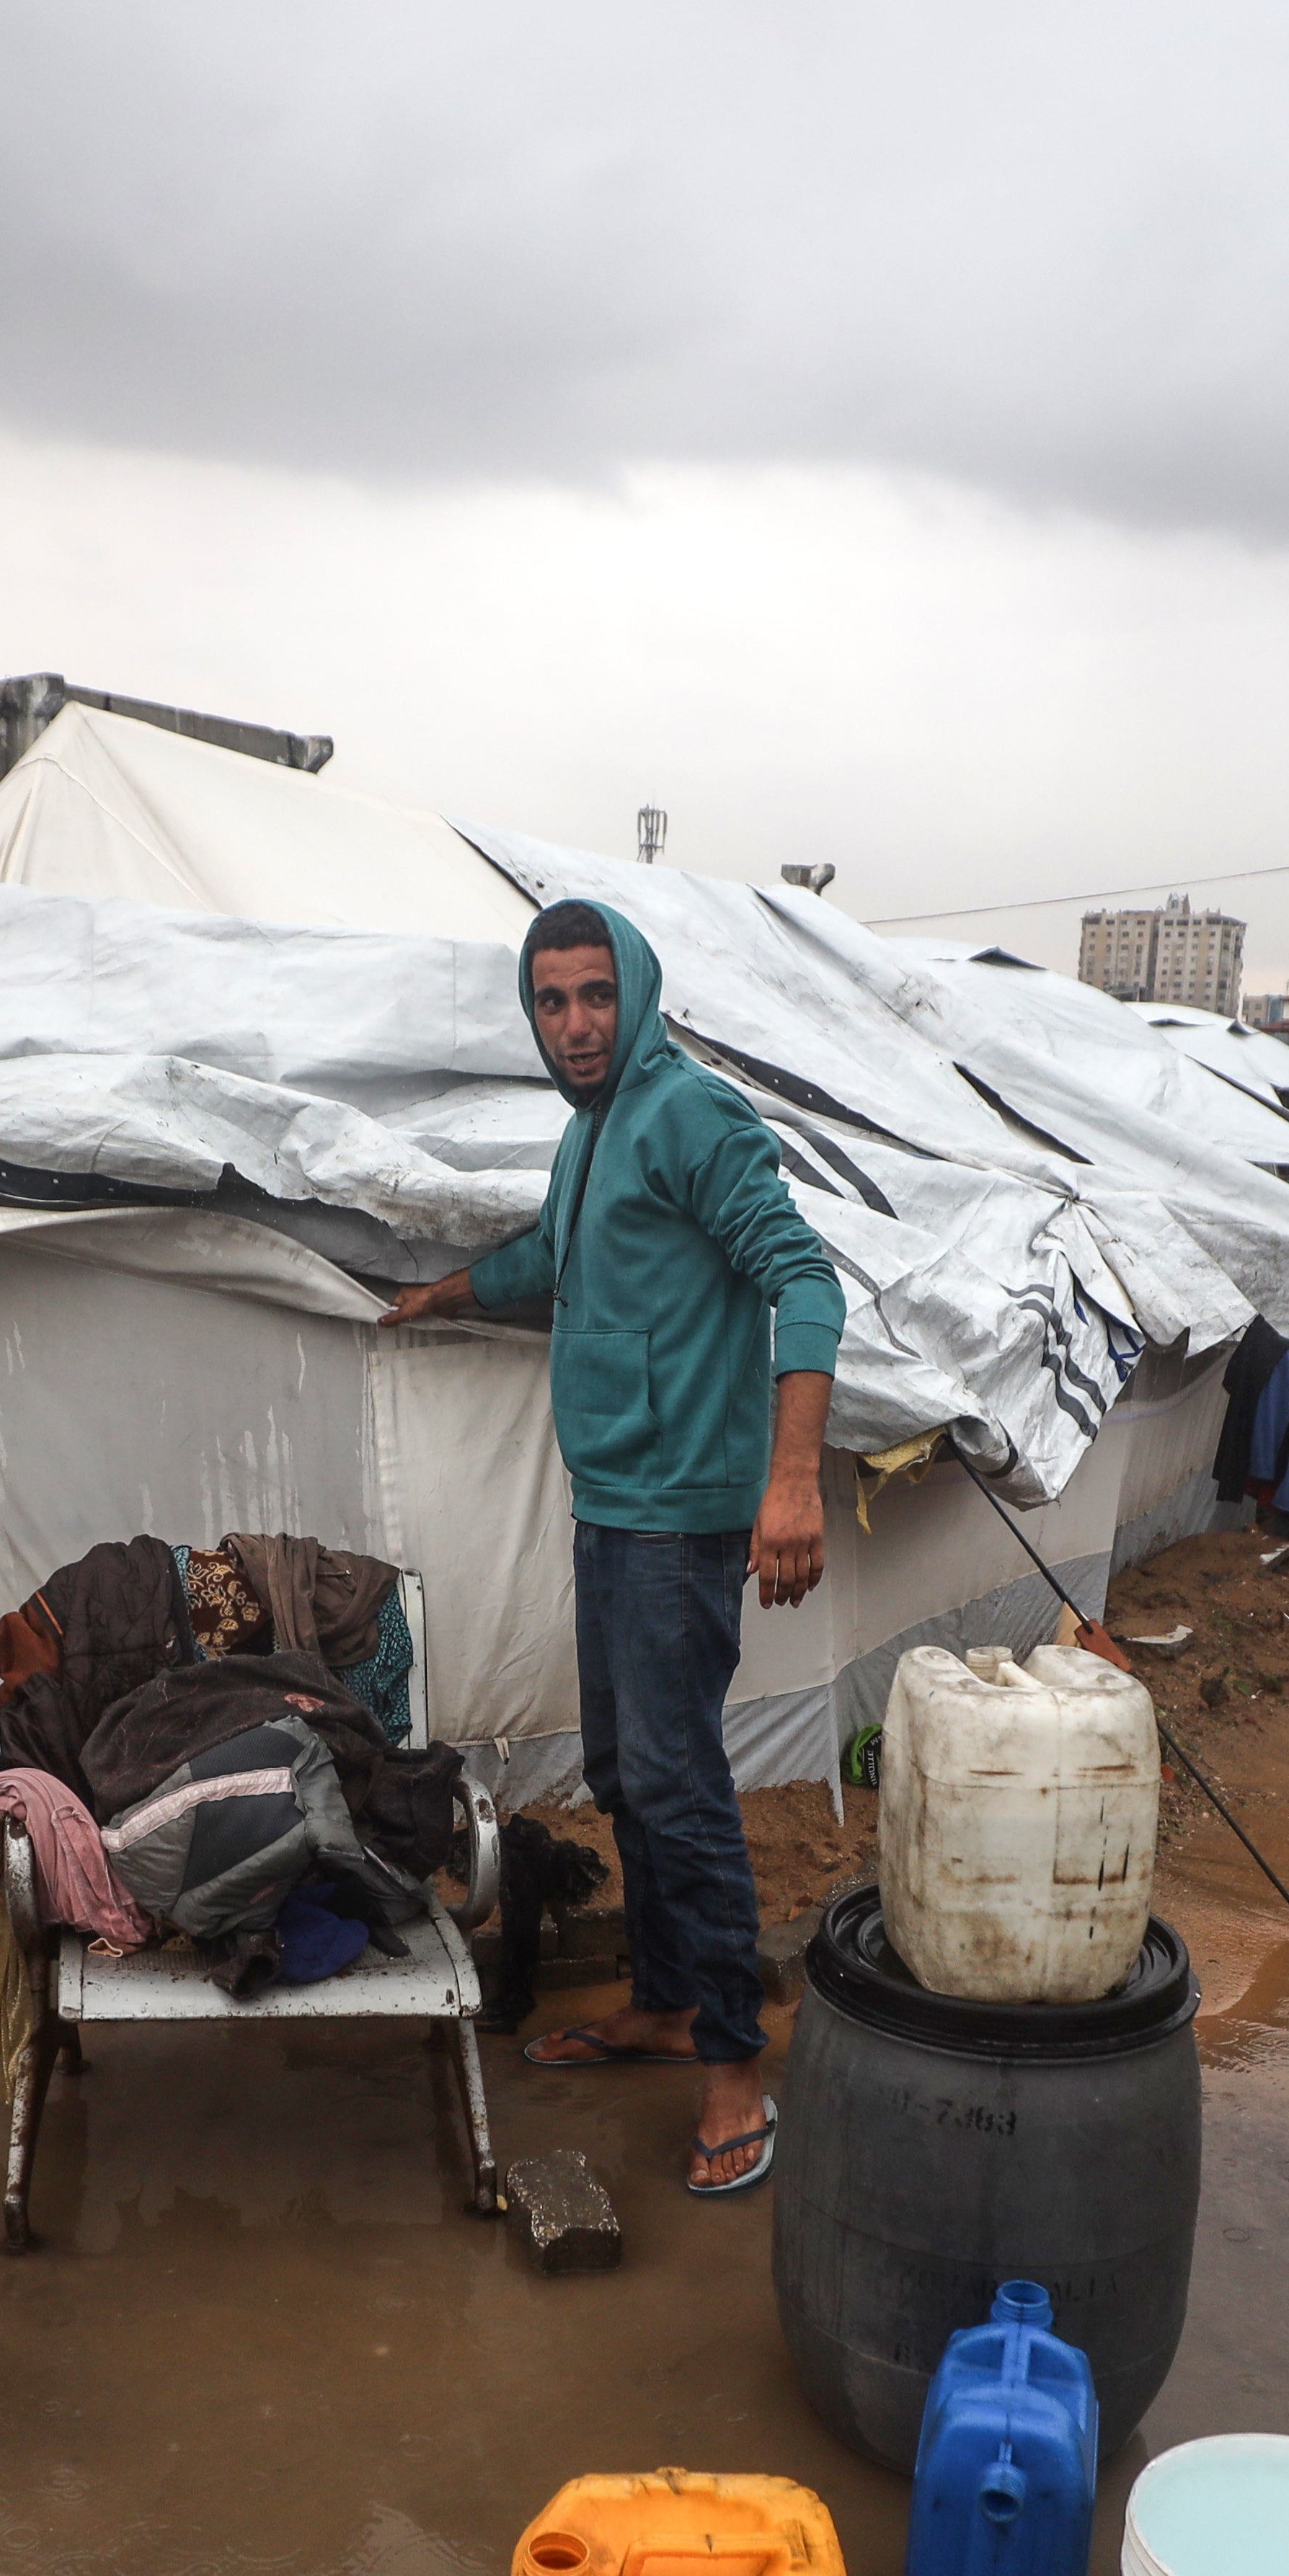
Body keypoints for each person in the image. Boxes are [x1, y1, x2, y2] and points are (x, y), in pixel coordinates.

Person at [382, 900, 839, 2198]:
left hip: (683, 1516)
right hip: (612, 1503)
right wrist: (448, 1294)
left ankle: (734, 2066)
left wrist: (790, 1483)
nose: (575, 1025)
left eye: (594, 996)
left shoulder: (686, 1111)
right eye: (551, 1002)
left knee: (680, 1786)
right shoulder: (591, 1131)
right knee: (625, 1772)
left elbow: (804, 1277)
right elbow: (555, 1256)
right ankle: (664, 2000)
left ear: (634, 994)